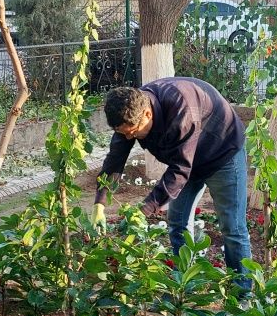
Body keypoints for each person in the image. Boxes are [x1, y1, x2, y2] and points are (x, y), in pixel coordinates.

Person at [92, 79, 252, 288]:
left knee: (232, 227)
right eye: (123, 133)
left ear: (147, 114)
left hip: (222, 153)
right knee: (177, 222)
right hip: (186, 157)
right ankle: (183, 288)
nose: (129, 137)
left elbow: (180, 170)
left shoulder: (180, 109)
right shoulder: (129, 113)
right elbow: (115, 159)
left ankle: (243, 295)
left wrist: (145, 209)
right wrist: (99, 204)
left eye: (132, 132)